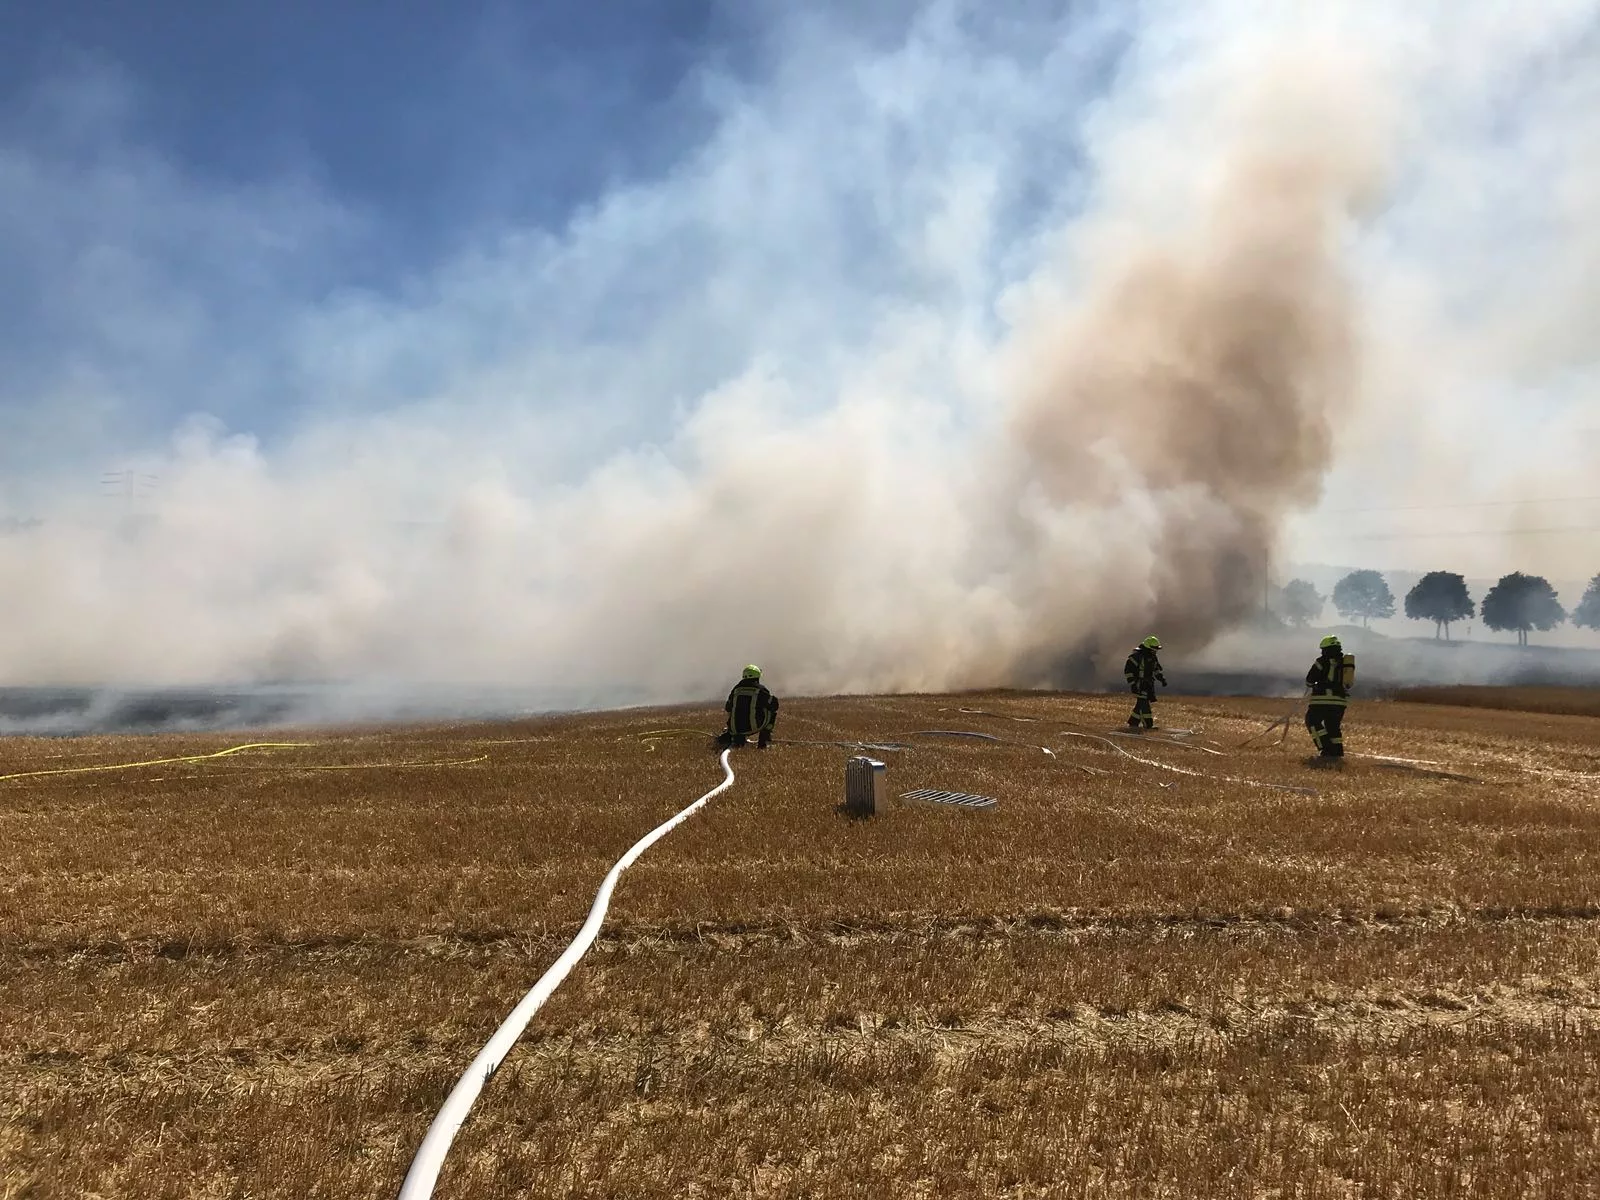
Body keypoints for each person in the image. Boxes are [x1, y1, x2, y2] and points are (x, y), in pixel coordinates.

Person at [1305, 635, 1351, 760]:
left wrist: (1315, 685)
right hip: (1340, 702)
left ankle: (1326, 749)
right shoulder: (1345, 663)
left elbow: (1309, 680)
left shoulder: (1321, 661)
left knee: (1312, 721)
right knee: (1333, 726)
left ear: (1325, 649)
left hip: (1322, 700)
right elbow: (1347, 683)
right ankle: (1337, 753)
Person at [717, 664, 779, 749]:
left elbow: (728, 707)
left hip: (734, 729)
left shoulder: (736, 689)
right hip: (753, 727)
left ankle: (732, 736)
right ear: (757, 676)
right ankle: (764, 743)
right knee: (771, 712)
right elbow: (774, 705)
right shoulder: (760, 690)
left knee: (732, 711)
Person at [1123, 636, 1166, 731]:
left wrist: (1161, 679)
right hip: (1139, 684)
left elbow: (1156, 670)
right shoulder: (1136, 657)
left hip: (1148, 684)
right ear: (1148, 647)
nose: (1155, 651)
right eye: (1154, 649)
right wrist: (1133, 684)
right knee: (1144, 704)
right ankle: (1148, 725)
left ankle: (1133, 722)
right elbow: (1128, 671)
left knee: (1140, 704)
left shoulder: (1152, 657)